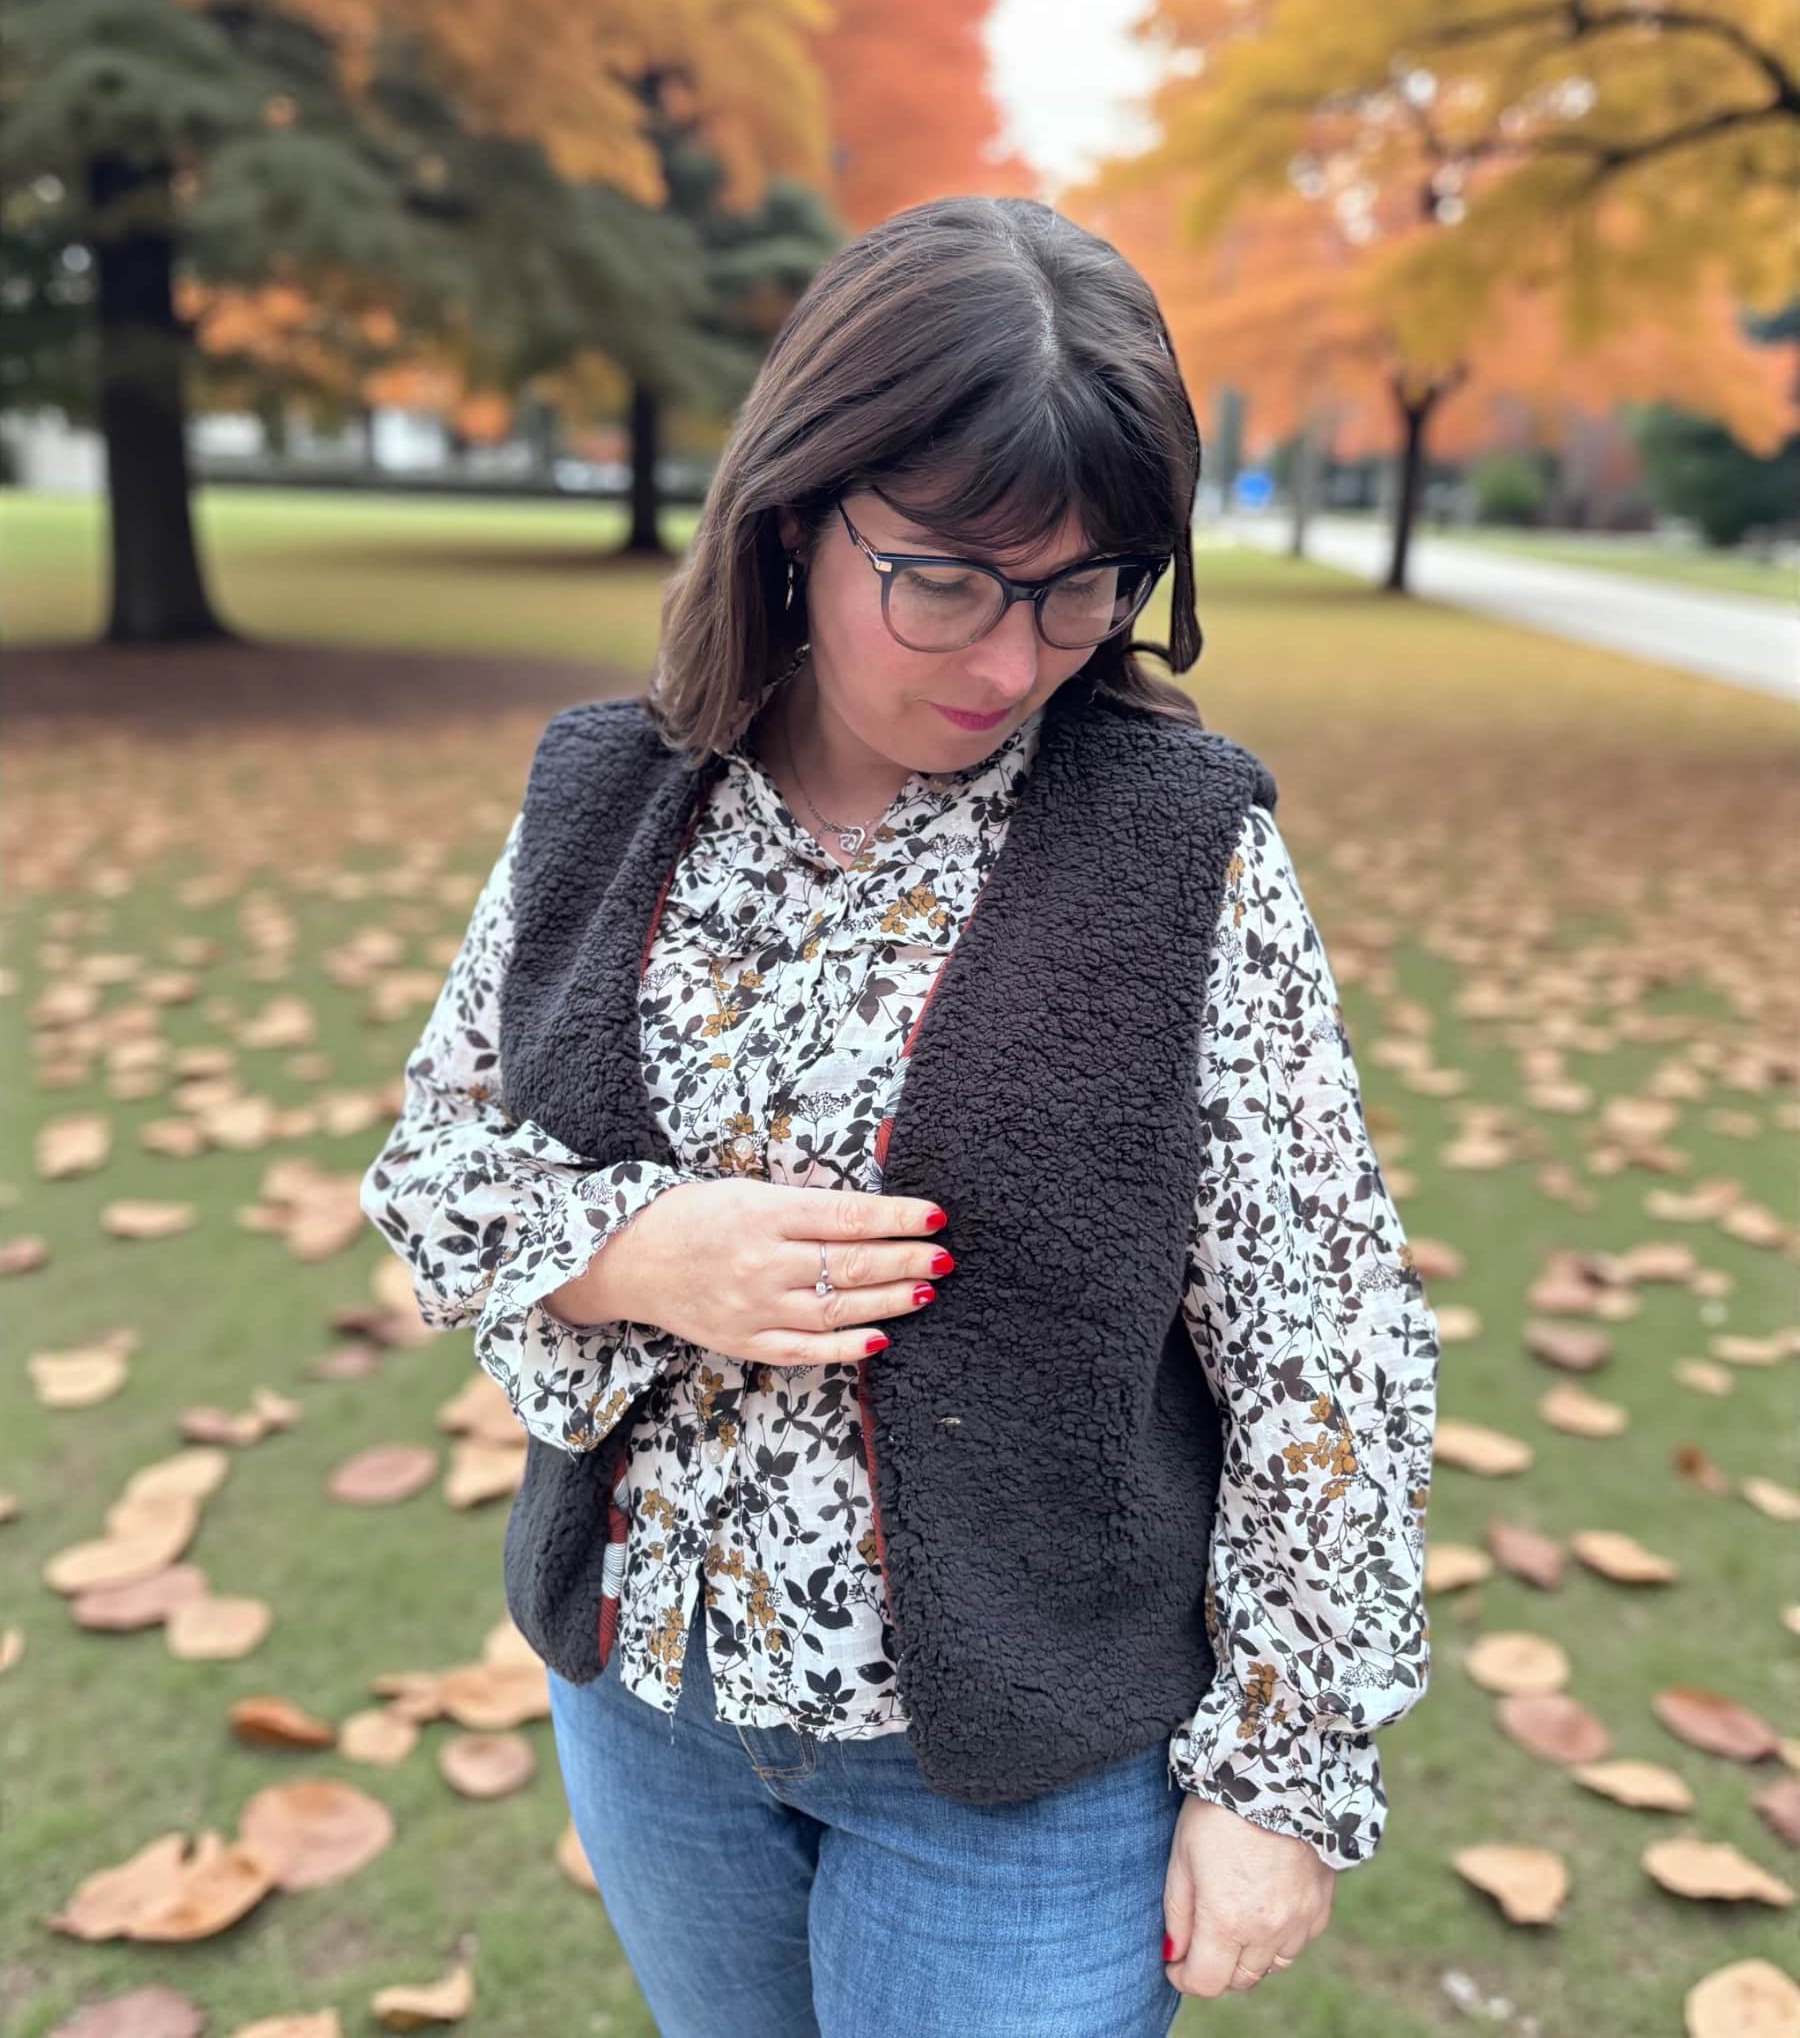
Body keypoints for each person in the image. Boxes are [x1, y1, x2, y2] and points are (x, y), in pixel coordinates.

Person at [360, 195, 1440, 2038]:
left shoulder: (1178, 848)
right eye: (946, 578)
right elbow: (434, 1169)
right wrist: (633, 1250)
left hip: (1024, 1779)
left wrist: (1282, 1771)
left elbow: (1322, 1342)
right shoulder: (609, 797)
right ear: (797, 509)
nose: (1016, 657)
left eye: (1085, 584)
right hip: (652, 1705)